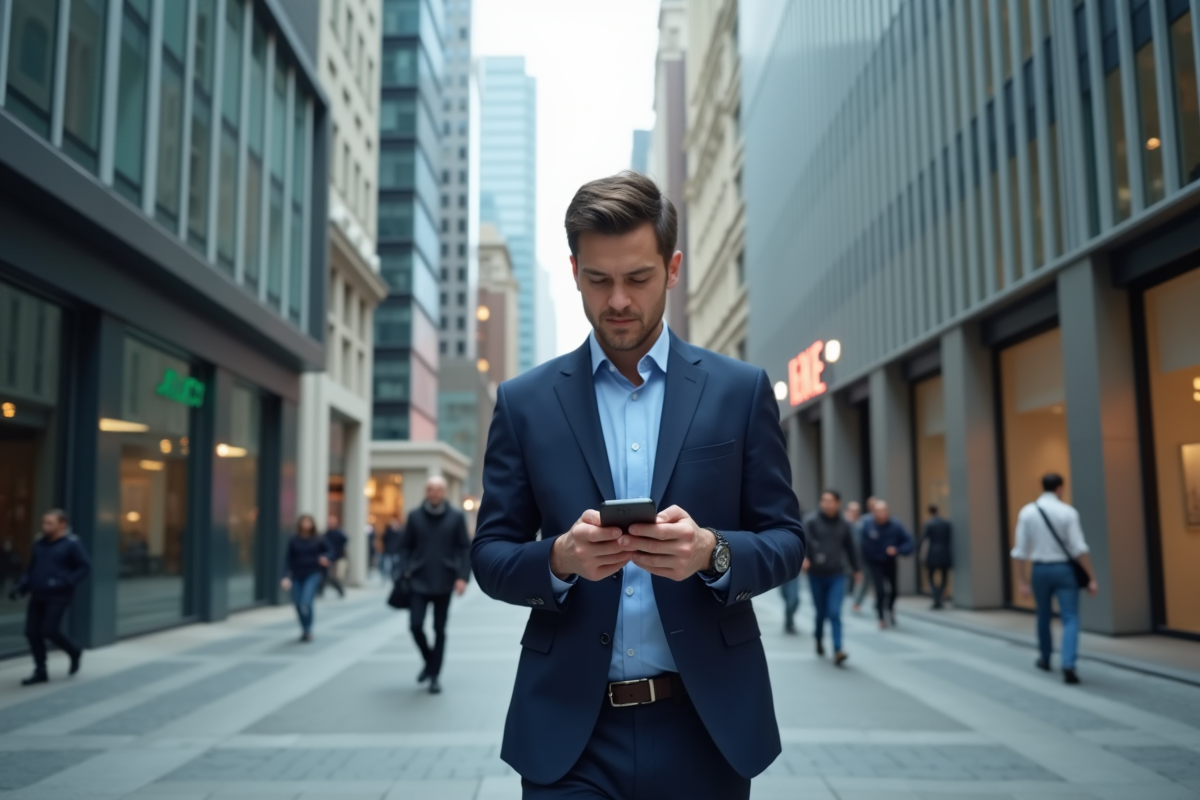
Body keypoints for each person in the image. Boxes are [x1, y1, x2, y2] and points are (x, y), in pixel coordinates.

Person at [471, 172, 805, 799]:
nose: (618, 299)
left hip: (707, 726)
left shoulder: (740, 392)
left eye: (638, 278)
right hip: (570, 732)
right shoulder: (524, 403)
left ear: (673, 268)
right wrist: (559, 560)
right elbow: (490, 556)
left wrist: (714, 553)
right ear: (573, 270)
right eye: (598, 279)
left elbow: (786, 540)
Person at [1010, 473, 1099, 685]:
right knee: (1070, 617)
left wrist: (1022, 581)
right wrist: (1091, 577)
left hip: (1039, 570)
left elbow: (1020, 550)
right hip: (1064, 570)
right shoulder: (1068, 512)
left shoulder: (1028, 512)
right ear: (1060, 488)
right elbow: (1079, 548)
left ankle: (1045, 657)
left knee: (1043, 614)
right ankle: (1068, 664)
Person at [400, 476, 471, 695]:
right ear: (425, 491)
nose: (434, 493)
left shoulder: (456, 517)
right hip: (418, 580)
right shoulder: (414, 516)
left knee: (439, 630)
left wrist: (462, 577)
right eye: (430, 489)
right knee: (415, 626)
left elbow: (465, 549)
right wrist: (405, 570)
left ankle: (434, 676)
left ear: (445, 492)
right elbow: (404, 547)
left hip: (444, 580)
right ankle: (430, 661)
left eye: (438, 489)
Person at [8, 510, 90, 685]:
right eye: (44, 522)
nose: (45, 526)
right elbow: (32, 568)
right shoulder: (39, 543)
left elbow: (84, 567)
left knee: (49, 630)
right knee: (32, 633)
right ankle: (41, 670)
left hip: (59, 596)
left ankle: (74, 650)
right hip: (38, 594)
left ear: (62, 525)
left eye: (50, 523)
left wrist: (65, 581)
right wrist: (21, 585)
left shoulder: (72, 544)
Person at [801, 490, 860, 665]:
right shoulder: (811, 521)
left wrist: (857, 569)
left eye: (830, 501)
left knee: (834, 612)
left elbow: (850, 547)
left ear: (838, 503)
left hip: (837, 574)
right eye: (824, 500)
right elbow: (803, 541)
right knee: (820, 613)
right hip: (816, 574)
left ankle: (838, 649)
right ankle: (818, 638)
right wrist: (804, 558)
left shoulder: (844, 524)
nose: (827, 504)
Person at [859, 499, 913, 629]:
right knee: (880, 591)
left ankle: (889, 608)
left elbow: (909, 542)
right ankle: (881, 617)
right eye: (877, 511)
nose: (880, 514)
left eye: (883, 511)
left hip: (890, 562)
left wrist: (897, 550)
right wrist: (861, 564)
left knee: (894, 591)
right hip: (875, 563)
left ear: (887, 511)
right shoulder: (867, 524)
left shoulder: (896, 525)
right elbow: (861, 545)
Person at [280, 515, 330, 642]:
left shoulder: (318, 539)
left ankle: (308, 629)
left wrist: (325, 557)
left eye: (309, 522)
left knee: (306, 602)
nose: (306, 525)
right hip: (296, 574)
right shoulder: (294, 539)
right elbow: (288, 559)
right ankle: (304, 629)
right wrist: (285, 576)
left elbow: (330, 551)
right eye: (304, 522)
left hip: (312, 573)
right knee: (297, 603)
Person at [921, 505, 952, 609]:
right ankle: (939, 596)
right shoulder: (946, 523)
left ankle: (936, 597)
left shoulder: (929, 524)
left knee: (930, 577)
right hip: (945, 552)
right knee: (944, 577)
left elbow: (923, 539)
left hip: (932, 553)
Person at [846, 499, 869, 614]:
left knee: (863, 581)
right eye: (852, 510)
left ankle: (857, 602)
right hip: (846, 559)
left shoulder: (863, 523)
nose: (854, 513)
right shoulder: (844, 523)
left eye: (856, 510)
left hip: (862, 557)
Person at [320, 514, 348, 599]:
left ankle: (340, 590)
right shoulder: (326, 533)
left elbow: (345, 541)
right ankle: (320, 591)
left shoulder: (340, 533)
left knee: (334, 576)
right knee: (326, 575)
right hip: (328, 557)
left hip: (337, 558)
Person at [380, 516, 402, 582]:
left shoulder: (400, 532)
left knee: (394, 565)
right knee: (386, 565)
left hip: (396, 551)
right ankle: (386, 577)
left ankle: (393, 576)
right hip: (388, 551)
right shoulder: (388, 531)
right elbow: (384, 539)